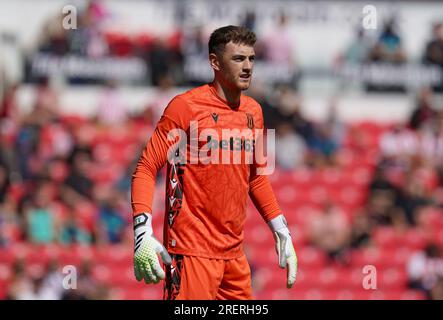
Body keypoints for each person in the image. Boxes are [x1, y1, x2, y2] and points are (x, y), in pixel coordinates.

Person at [131, 26, 297, 300]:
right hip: (191, 250)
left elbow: (255, 176)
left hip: (234, 255)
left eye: (251, 59)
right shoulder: (185, 107)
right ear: (215, 62)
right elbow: (146, 168)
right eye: (238, 59)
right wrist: (141, 232)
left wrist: (281, 229)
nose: (247, 67)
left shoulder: (253, 111)